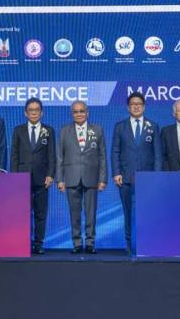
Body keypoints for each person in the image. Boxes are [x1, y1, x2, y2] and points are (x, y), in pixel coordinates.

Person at [111, 92, 161, 254]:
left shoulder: (153, 126)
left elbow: (157, 154)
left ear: (144, 107)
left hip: (147, 178)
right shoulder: (120, 126)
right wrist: (116, 172)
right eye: (133, 104)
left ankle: (147, 242)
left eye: (139, 104)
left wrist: (156, 176)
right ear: (128, 107)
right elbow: (115, 151)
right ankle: (130, 244)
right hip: (125, 177)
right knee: (128, 212)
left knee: (148, 211)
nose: (136, 106)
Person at [56, 100, 107, 254]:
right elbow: (59, 157)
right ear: (72, 114)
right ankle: (77, 243)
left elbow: (102, 156)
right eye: (75, 112)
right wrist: (60, 179)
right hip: (71, 177)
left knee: (91, 212)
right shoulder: (64, 131)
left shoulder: (97, 130)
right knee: (74, 213)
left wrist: (102, 179)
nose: (79, 114)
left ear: (87, 112)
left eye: (81, 111)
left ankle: (90, 242)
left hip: (91, 177)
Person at [10, 98, 56, 255]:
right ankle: (23, 242)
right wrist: (14, 177)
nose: (34, 112)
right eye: (31, 110)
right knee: (22, 212)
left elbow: (52, 155)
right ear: (26, 113)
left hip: (42, 179)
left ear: (42, 112)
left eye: (37, 109)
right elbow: (14, 155)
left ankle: (38, 243)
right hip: (22, 178)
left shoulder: (48, 130)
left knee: (40, 213)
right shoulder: (18, 130)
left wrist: (50, 174)